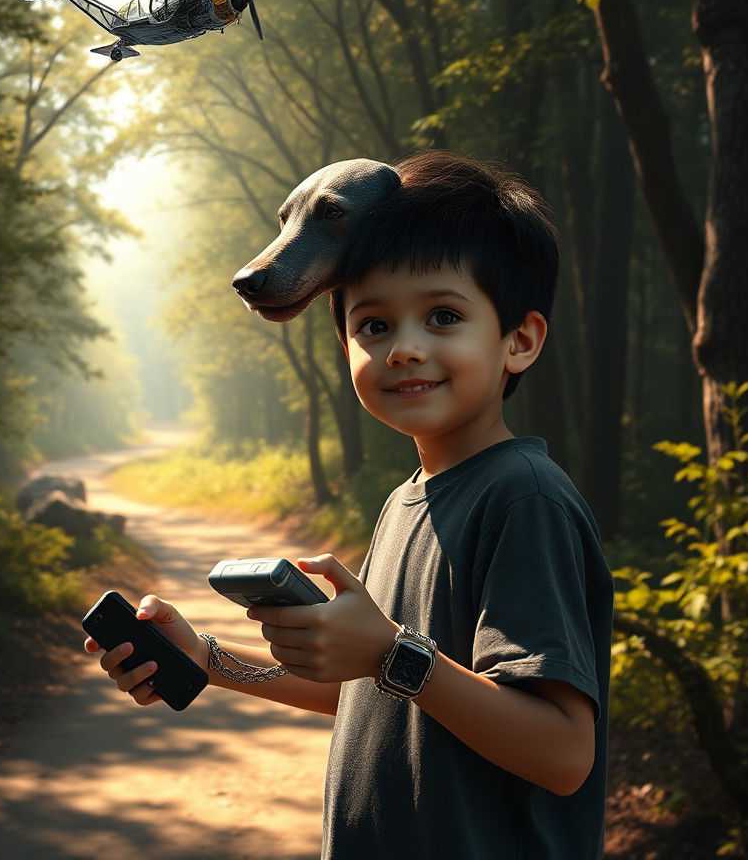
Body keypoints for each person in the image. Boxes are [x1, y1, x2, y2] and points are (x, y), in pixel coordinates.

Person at [85, 149, 613, 859]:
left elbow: (563, 752)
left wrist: (394, 650)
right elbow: (383, 693)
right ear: (344, 346)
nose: (404, 349)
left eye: (444, 315)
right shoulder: (407, 502)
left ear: (519, 341)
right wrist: (208, 659)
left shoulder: (525, 498)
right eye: (374, 326)